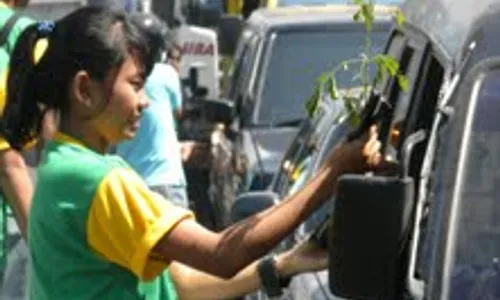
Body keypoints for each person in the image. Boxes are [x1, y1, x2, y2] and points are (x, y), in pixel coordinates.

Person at [0, 6, 381, 299]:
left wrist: (283, 264)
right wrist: (331, 175)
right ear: (85, 90)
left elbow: (179, 284)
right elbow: (221, 254)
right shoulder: (96, 181)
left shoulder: (62, 166)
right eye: (135, 85)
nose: (145, 102)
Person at [116, 13, 191, 208]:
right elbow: (178, 113)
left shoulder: (117, 76)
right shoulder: (167, 74)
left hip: (128, 184)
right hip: (166, 180)